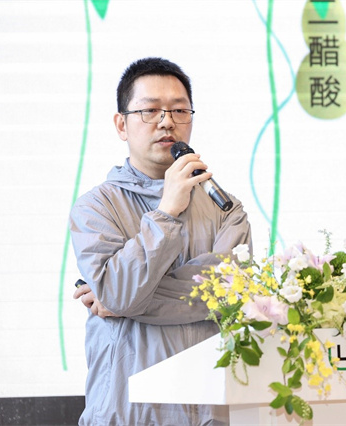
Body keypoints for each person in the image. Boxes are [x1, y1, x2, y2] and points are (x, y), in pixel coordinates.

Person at [70, 57, 252, 426]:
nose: (167, 121)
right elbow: (121, 294)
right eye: (150, 110)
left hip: (207, 413)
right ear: (122, 124)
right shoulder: (95, 207)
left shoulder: (227, 209)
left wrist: (124, 301)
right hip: (126, 413)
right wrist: (167, 211)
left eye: (179, 110)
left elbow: (229, 296)